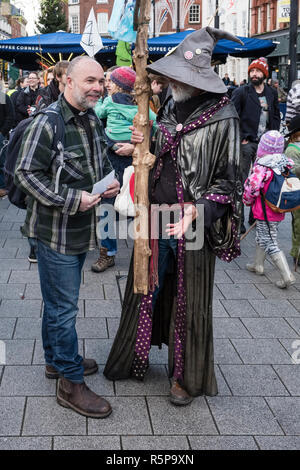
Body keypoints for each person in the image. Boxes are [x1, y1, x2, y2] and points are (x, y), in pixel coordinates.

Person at [103, 27, 242, 405]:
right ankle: (133, 357)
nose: (172, 81)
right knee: (145, 287)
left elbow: (230, 182)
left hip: (191, 224)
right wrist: (139, 142)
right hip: (152, 217)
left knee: (188, 298)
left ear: (199, 80)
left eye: (182, 75)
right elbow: (157, 151)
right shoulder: (167, 105)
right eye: (173, 73)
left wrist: (198, 211)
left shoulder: (224, 117)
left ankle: (184, 377)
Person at [15, 56, 121, 419]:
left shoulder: (90, 117)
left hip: (81, 231)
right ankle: (70, 382)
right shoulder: (48, 123)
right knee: (64, 308)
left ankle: (55, 361)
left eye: (101, 80)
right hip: (54, 234)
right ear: (67, 83)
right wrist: (73, 199)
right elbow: (25, 174)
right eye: (90, 79)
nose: (98, 86)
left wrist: (110, 180)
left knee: (58, 304)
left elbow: (99, 158)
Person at [91, 66, 157, 273]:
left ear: (118, 86)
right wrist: (112, 144)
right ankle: (107, 252)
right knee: (106, 207)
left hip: (133, 161)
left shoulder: (132, 104)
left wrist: (136, 146)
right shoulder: (139, 106)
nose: (107, 85)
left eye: (111, 81)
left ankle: (142, 250)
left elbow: (157, 131)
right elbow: (96, 129)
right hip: (109, 160)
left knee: (136, 206)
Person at [22, 61, 69, 264]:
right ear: (59, 77)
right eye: (68, 75)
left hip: (62, 157)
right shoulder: (46, 97)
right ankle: (35, 247)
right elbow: (26, 173)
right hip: (43, 150)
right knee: (37, 200)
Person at [232, 57, 280, 234]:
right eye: (252, 71)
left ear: (264, 74)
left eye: (258, 71)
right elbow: (233, 116)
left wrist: (274, 138)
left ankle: (256, 215)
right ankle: (239, 221)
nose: (254, 74)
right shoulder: (242, 92)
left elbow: (275, 116)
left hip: (265, 146)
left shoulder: (271, 93)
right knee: (243, 182)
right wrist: (241, 137)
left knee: (262, 182)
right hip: (247, 144)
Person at [243, 130, 295, 288]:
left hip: (265, 210)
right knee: (264, 234)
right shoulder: (284, 163)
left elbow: (252, 188)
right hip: (278, 208)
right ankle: (258, 265)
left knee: (269, 241)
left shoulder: (262, 166)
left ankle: (287, 276)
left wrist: (247, 200)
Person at [284, 115, 300, 267]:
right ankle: (297, 253)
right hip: (297, 193)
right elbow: (292, 171)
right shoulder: (292, 150)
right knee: (298, 225)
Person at [0, 91, 14, 197]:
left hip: (0, 135)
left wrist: (2, 133)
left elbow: (10, 116)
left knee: (1, 162)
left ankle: (3, 187)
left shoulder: (2, 97)